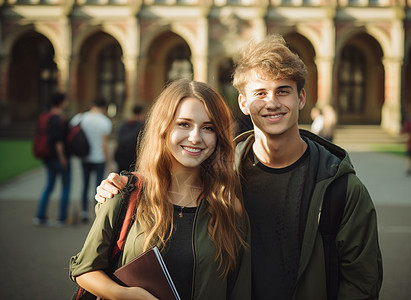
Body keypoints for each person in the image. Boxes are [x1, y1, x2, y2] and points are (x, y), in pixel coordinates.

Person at [95, 35, 383, 299]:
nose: (272, 102)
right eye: (260, 93)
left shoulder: (340, 187)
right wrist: (125, 184)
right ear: (243, 103)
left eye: (283, 91)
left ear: (302, 98)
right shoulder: (216, 174)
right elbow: (168, 179)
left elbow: (362, 282)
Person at [69, 79, 250, 300]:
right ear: (163, 127)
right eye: (184, 124)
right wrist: (127, 295)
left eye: (208, 128)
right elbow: (84, 269)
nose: (195, 137)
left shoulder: (228, 204)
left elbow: (238, 288)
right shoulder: (125, 193)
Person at [71, 97, 112, 222]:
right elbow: (104, 145)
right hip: (99, 158)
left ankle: (84, 212)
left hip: (85, 156)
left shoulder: (80, 117)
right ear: (104, 107)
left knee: (85, 185)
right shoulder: (105, 122)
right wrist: (109, 161)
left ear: (92, 104)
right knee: (99, 186)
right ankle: (97, 213)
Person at [34, 92, 71, 227]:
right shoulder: (59, 119)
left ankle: (40, 216)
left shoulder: (45, 117)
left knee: (49, 186)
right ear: (61, 102)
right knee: (66, 187)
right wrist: (63, 159)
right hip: (59, 157)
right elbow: (58, 142)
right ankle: (62, 218)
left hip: (47, 157)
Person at [114, 104, 145, 172]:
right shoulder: (142, 126)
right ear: (141, 113)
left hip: (121, 158)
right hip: (133, 160)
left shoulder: (124, 124)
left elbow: (117, 141)